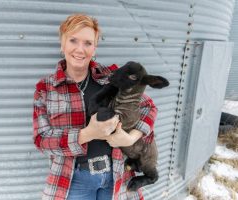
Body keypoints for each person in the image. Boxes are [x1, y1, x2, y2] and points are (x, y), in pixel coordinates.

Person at [33, 13, 157, 200]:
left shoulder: (112, 78)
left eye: (88, 43)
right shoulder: (46, 89)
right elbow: (41, 140)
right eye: (73, 40)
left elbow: (149, 107)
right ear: (62, 44)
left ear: (95, 47)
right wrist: (88, 134)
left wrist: (131, 138)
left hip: (116, 175)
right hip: (73, 180)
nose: (80, 49)